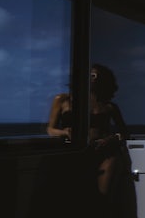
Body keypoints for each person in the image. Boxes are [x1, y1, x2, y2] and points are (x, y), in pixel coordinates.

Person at [47, 64, 130, 195]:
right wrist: (65, 132)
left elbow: (125, 133)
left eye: (97, 76)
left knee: (104, 196)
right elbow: (50, 130)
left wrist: (110, 139)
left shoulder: (109, 106)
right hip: (75, 152)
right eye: (91, 75)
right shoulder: (63, 100)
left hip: (104, 153)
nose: (94, 79)